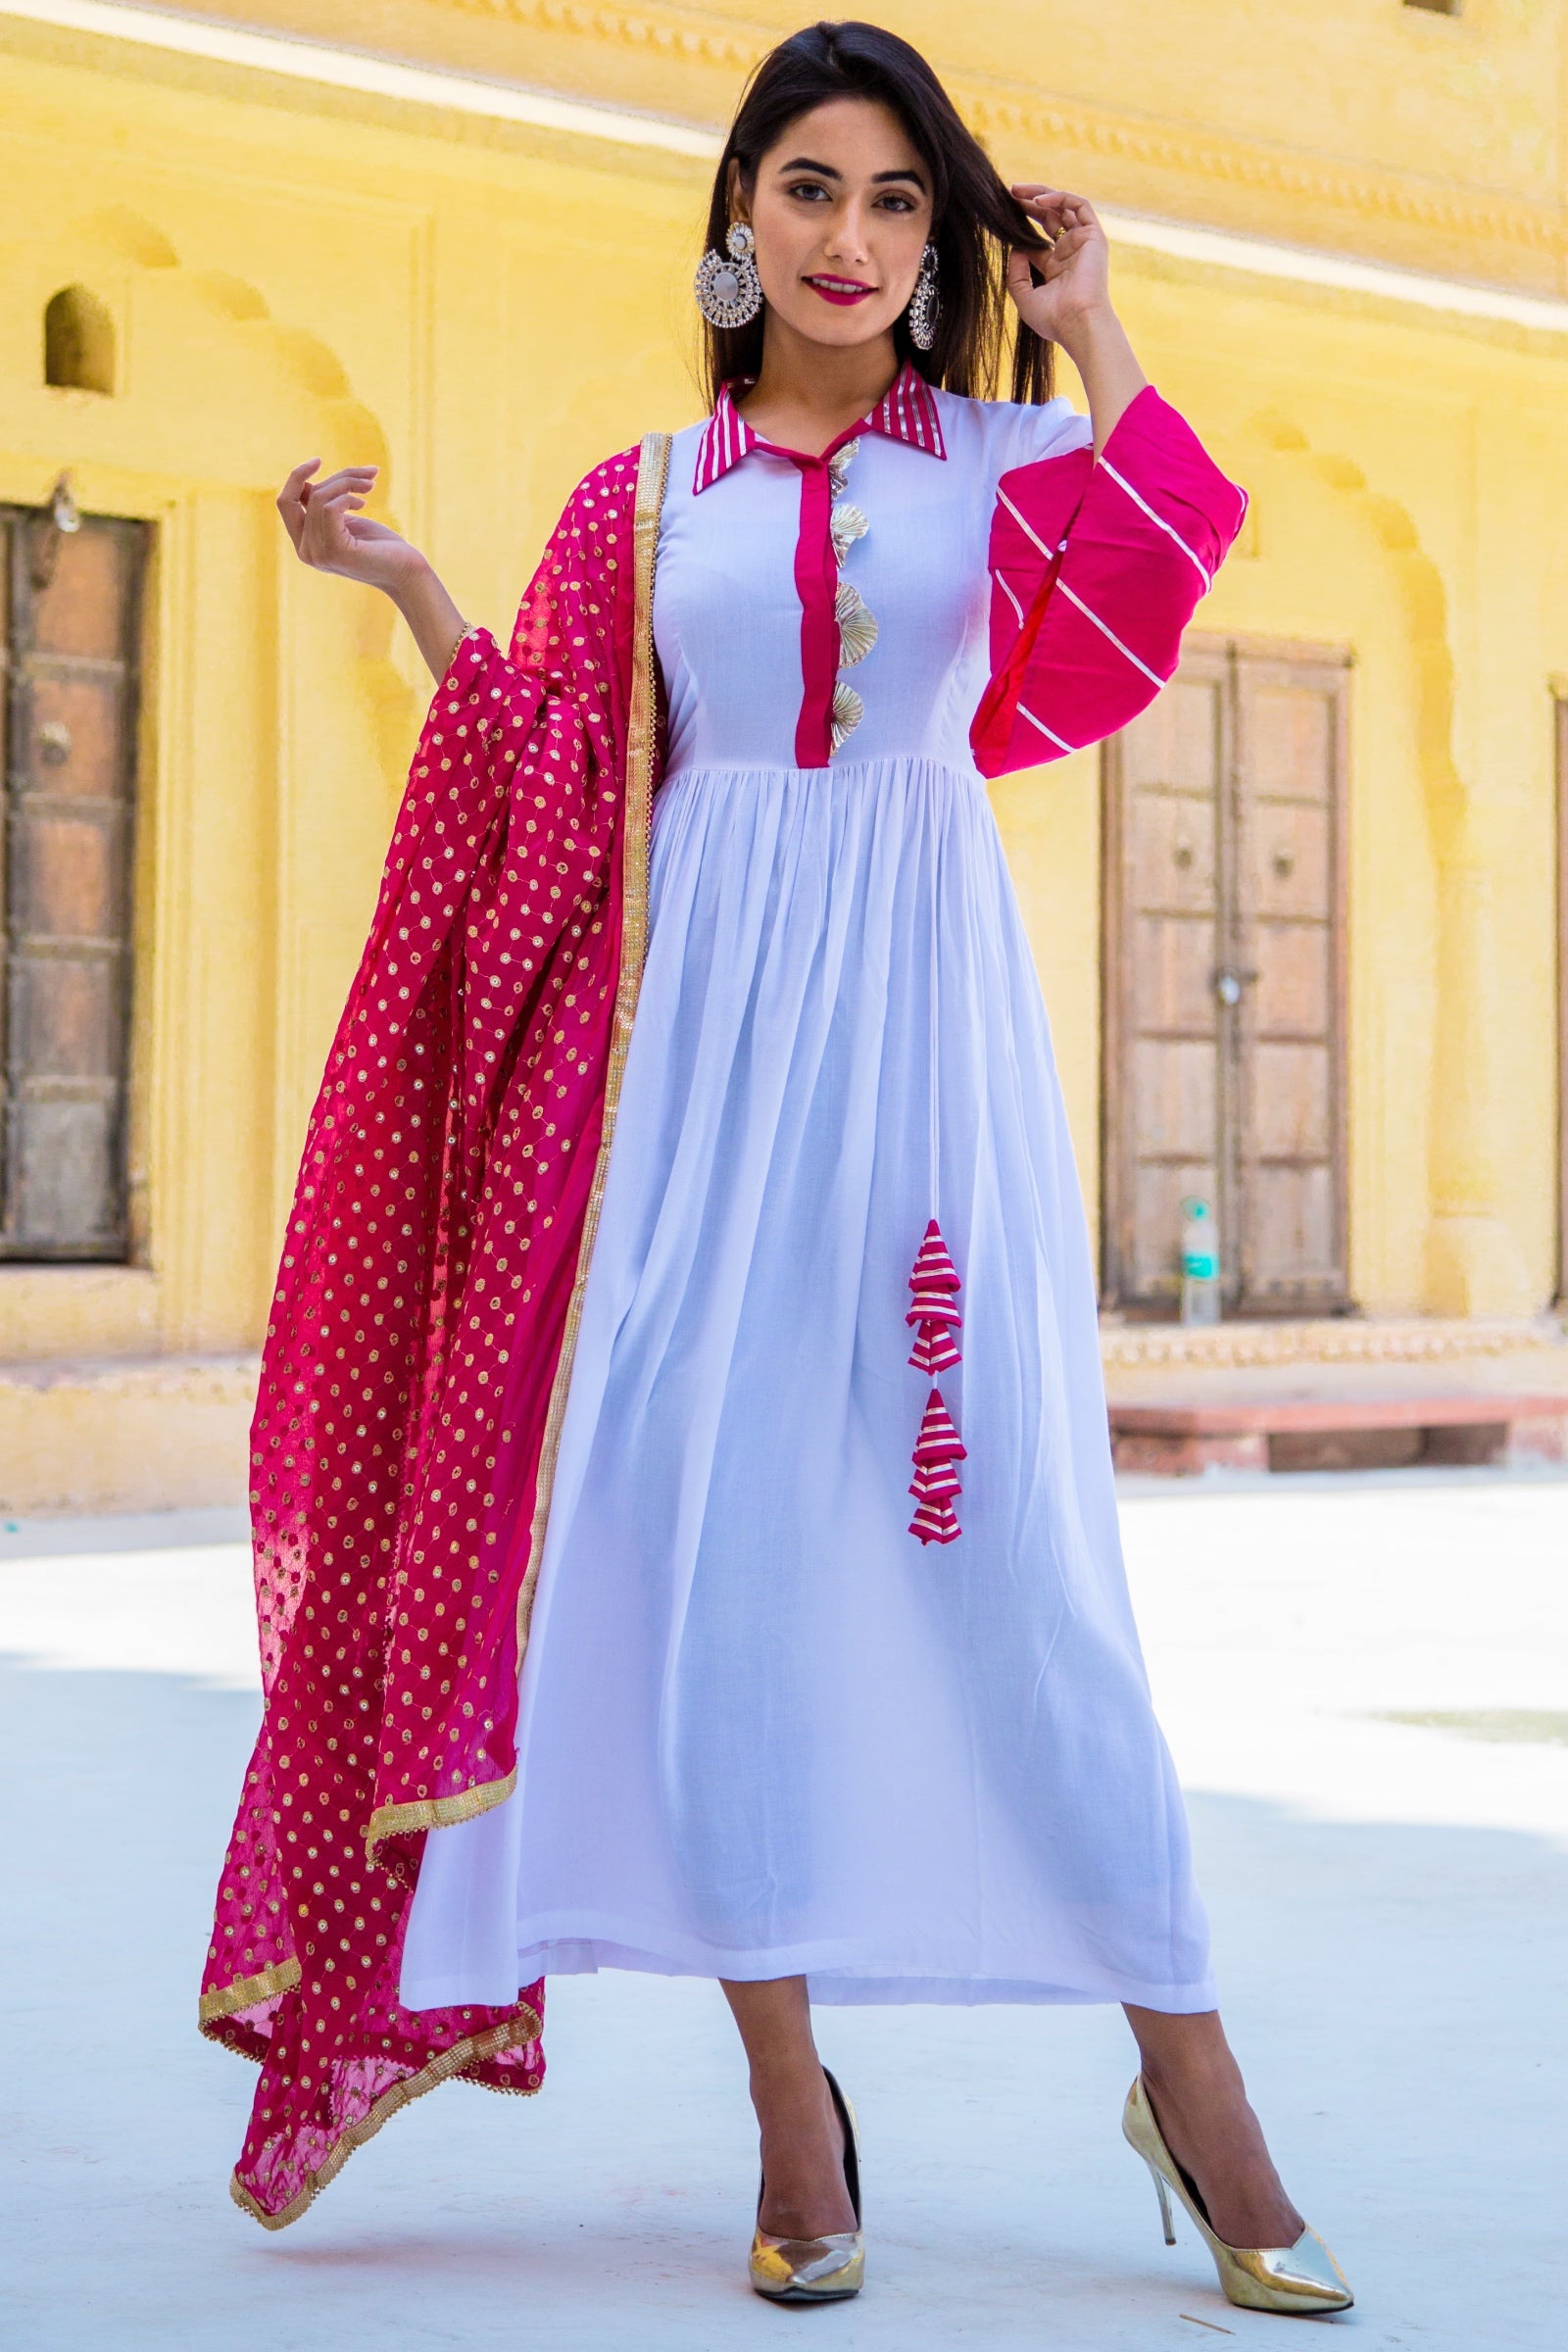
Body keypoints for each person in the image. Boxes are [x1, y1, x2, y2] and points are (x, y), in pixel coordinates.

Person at [202, 18, 1351, 2318]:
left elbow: (1161, 558)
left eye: (898, 202)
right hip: (683, 1074)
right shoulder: (646, 498)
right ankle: (785, 2105)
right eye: (809, 191)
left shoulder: (1005, 458)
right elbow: (548, 757)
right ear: (736, 225)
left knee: (991, 1535)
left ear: (943, 246)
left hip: (916, 1040)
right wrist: (407, 585)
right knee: (702, 1553)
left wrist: (1096, 309)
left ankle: (1188, 2074)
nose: (849, 239)